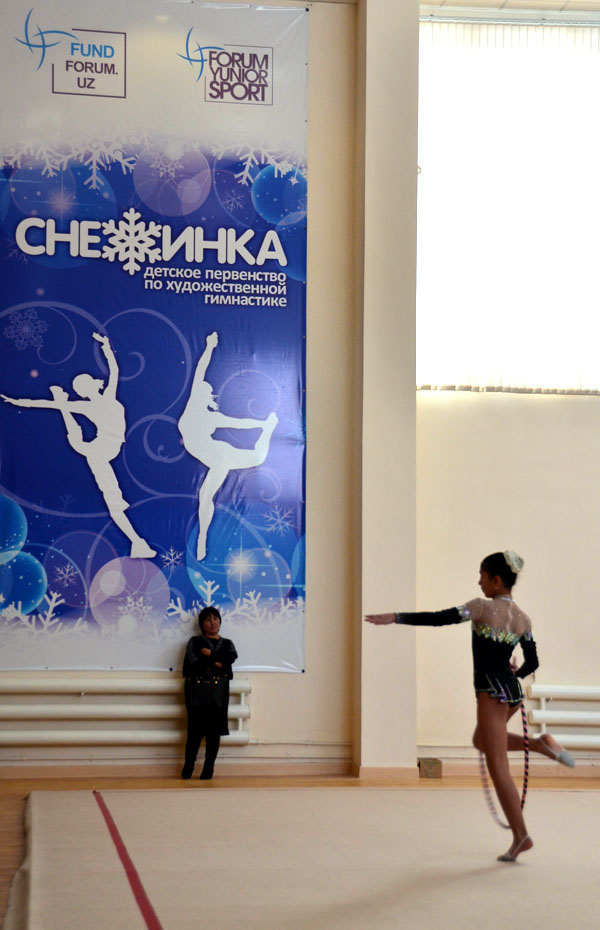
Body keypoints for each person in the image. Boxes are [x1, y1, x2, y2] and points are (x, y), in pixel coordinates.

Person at [365, 550, 575, 862]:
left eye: (482, 576)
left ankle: (521, 836)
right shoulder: (523, 619)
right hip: (511, 692)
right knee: (481, 741)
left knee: (498, 767)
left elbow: (440, 619)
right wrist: (517, 671)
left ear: (496, 580)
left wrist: (397, 617)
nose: (478, 582)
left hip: (491, 693)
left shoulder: (480, 608)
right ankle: (541, 744)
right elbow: (533, 661)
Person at [1, 332, 156, 559]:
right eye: (85, 386)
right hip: (98, 452)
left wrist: (105, 346)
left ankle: (137, 543)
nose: (92, 385)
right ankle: (138, 543)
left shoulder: (108, 397)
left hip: (103, 449)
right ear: (86, 390)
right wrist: (18, 401)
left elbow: (114, 370)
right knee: (112, 501)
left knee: (72, 427)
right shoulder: (88, 406)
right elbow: (46, 405)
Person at [178, 331, 278, 561]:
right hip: (217, 456)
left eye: (204, 392)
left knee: (256, 459)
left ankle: (269, 428)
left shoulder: (212, 417)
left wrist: (262, 424)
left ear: (204, 397)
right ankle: (202, 537)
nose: (202, 391)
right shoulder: (194, 407)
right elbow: (199, 372)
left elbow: (240, 423)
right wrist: (209, 347)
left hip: (219, 454)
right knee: (206, 496)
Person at [181, 605, 238, 780]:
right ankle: (188, 767)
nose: (212, 622)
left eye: (215, 618)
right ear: (202, 624)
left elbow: (229, 661)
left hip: (219, 692)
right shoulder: (195, 641)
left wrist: (209, 654)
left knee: (214, 732)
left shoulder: (228, 643)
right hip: (196, 691)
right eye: (207, 619)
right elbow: (194, 663)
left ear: (220, 621)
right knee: (195, 731)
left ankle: (208, 769)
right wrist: (218, 662)